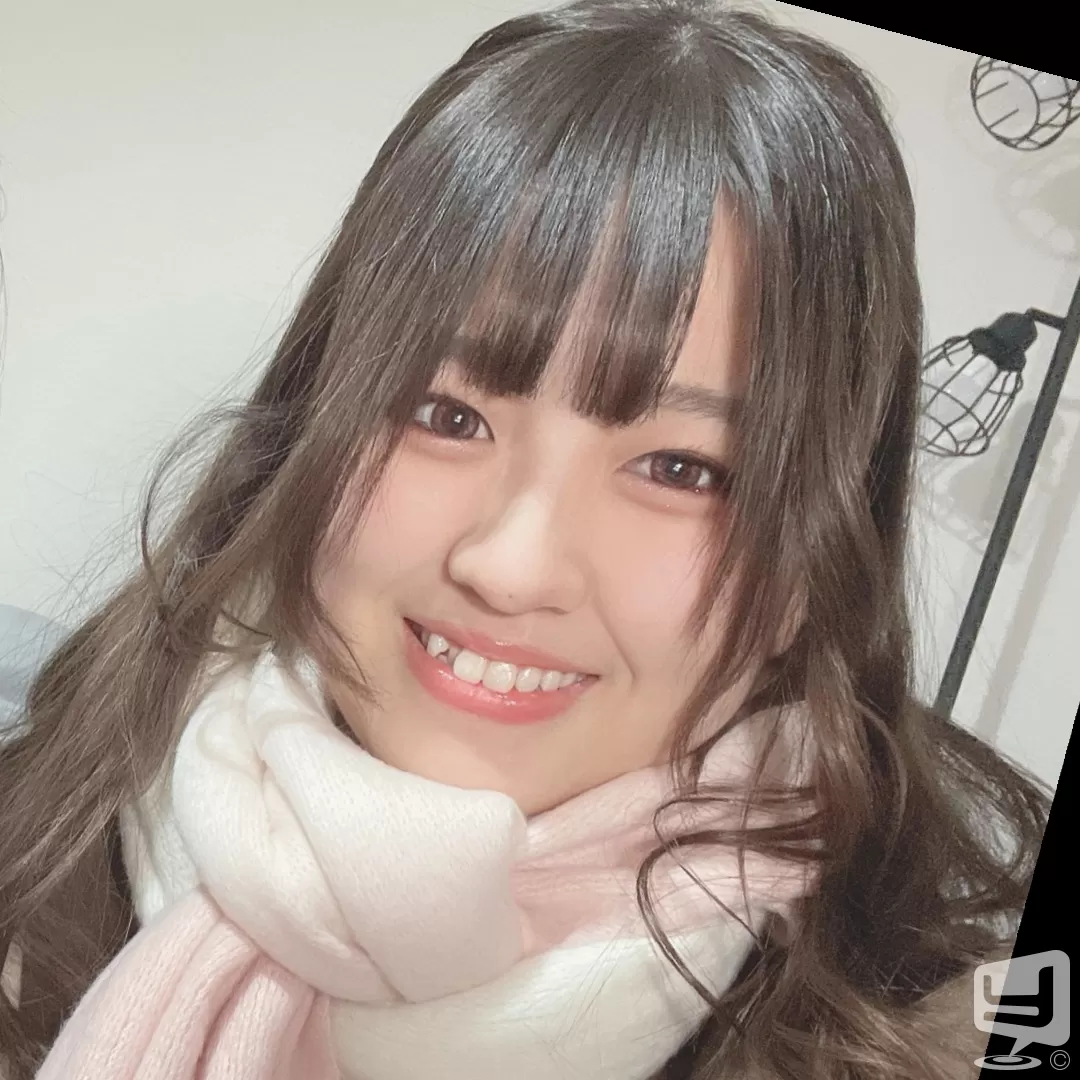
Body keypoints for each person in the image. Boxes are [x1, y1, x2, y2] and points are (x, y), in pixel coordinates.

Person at [0, 2, 1051, 1078]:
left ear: (809, 571)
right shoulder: (41, 835)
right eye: (446, 415)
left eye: (683, 470)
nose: (511, 568)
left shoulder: (977, 1029)